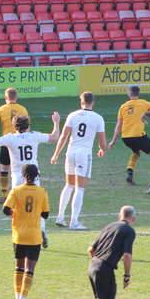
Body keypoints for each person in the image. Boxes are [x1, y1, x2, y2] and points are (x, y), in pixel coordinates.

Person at [0, 112, 60, 248]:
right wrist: (56, 122)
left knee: (17, 209)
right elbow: (55, 137)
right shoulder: (34, 136)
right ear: (28, 125)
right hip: (34, 177)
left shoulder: (11, 138)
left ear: (14, 126)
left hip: (18, 179)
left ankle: (19, 237)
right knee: (38, 206)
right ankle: (42, 230)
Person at [68, 205, 136, 299]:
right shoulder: (129, 231)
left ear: (119, 215)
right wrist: (127, 276)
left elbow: (90, 249)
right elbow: (127, 255)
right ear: (133, 218)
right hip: (104, 268)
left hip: (93, 265)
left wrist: (96, 264)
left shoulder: (109, 226)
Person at [51, 92, 106, 230]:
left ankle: (60, 217)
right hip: (84, 154)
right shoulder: (98, 118)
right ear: (93, 102)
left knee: (69, 185)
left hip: (70, 152)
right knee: (80, 188)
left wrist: (56, 154)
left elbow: (63, 136)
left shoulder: (72, 115)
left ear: (81, 102)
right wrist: (102, 149)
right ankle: (74, 221)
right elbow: (102, 142)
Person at [2, 164, 49, 299]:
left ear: (23, 176)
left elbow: (5, 209)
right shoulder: (42, 192)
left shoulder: (16, 190)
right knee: (30, 269)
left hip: (18, 234)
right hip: (34, 236)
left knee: (18, 267)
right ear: (37, 176)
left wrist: (15, 214)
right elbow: (46, 214)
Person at [0, 88, 29, 203]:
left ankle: (4, 195)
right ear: (16, 97)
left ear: (5, 98)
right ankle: (24, 192)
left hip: (6, 143)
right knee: (21, 168)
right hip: (20, 143)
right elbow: (27, 127)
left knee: (4, 169)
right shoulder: (23, 109)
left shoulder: (1, 109)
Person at [107, 86, 150, 185]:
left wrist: (113, 141)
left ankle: (129, 172)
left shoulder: (123, 106)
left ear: (128, 94)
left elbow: (118, 125)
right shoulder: (144, 103)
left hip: (126, 138)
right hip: (138, 136)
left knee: (136, 153)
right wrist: (146, 114)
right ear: (139, 92)